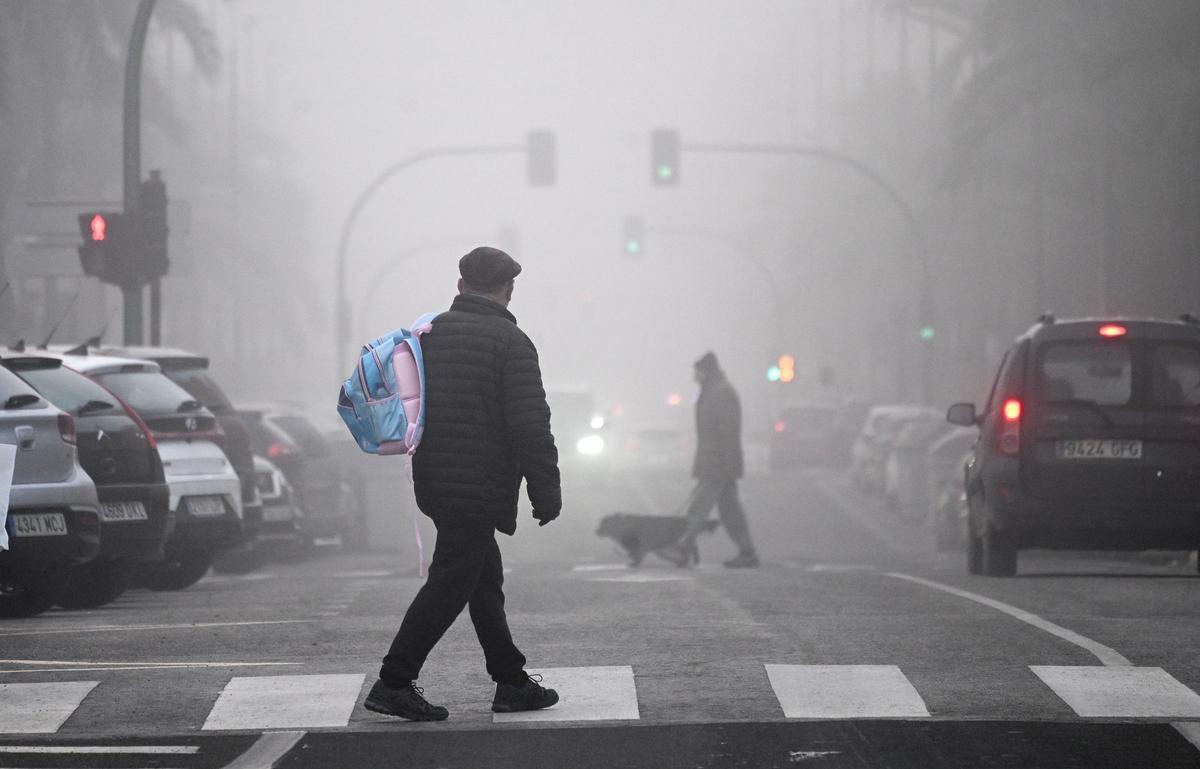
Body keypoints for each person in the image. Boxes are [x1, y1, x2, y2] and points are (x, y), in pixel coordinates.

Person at [363, 246, 563, 721]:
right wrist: (545, 488)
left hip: (435, 478)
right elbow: (530, 423)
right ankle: (394, 680)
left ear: (460, 287)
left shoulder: (428, 336)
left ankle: (511, 680)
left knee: (482, 578)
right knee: (453, 581)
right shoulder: (511, 344)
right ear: (508, 291)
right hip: (480, 484)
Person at [662, 351, 759, 568]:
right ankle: (747, 551)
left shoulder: (720, 393)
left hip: (718, 463)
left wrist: (719, 463)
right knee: (731, 512)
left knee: (699, 506)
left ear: (706, 371)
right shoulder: (713, 391)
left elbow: (725, 431)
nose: (694, 376)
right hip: (717, 461)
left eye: (697, 372)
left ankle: (683, 548)